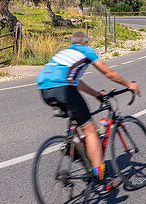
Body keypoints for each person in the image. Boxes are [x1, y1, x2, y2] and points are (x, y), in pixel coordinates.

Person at [37, 31, 140, 192]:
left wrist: (96, 94)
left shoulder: (64, 53)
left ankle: (75, 148)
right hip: (63, 88)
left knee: (76, 116)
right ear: (86, 43)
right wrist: (129, 85)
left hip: (45, 89)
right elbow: (108, 73)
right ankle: (101, 178)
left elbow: (76, 82)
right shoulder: (86, 51)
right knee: (91, 130)